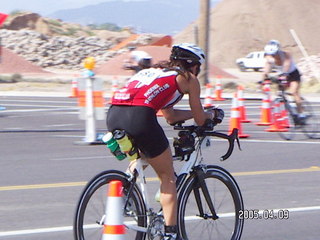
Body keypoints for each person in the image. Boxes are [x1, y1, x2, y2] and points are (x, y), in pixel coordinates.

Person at [107, 43, 224, 240]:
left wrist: (198, 114)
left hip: (114, 114)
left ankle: (124, 195)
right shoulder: (189, 79)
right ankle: (170, 234)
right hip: (139, 116)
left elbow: (170, 116)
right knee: (167, 176)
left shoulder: (156, 72)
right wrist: (211, 114)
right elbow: (200, 120)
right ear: (194, 65)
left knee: (142, 155)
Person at [262, 39, 304, 117]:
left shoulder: (286, 54)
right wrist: (264, 78)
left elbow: (286, 65)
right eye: (270, 54)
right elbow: (266, 67)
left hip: (293, 74)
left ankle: (301, 112)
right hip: (282, 75)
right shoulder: (269, 57)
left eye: (274, 54)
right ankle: (286, 111)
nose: (272, 56)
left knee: (293, 92)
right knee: (279, 93)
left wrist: (284, 74)